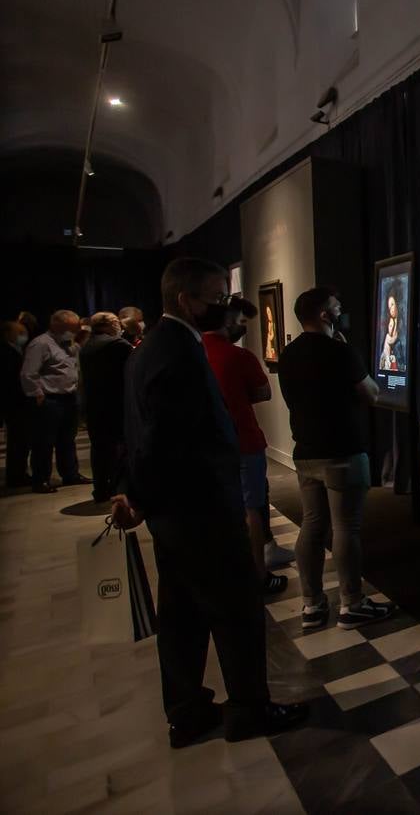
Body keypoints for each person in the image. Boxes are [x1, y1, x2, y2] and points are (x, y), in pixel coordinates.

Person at [112, 257, 307, 747]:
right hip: (198, 512)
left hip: (175, 512)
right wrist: (136, 493)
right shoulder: (176, 353)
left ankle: (188, 711)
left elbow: (138, 432)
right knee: (237, 612)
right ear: (186, 300)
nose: (223, 306)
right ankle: (248, 710)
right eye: (216, 297)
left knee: (181, 617)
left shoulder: (152, 347)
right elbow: (160, 438)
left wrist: (135, 493)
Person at [278, 286, 392, 630]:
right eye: (337, 307)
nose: (342, 311)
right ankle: (352, 602)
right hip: (342, 451)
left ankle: (312, 605)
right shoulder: (339, 351)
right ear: (325, 315)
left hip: (306, 453)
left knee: (312, 525)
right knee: (346, 527)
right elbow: (371, 393)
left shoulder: (289, 354)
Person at [203, 296, 291, 594]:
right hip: (243, 440)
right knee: (252, 506)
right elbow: (263, 392)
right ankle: (258, 574)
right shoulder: (238, 357)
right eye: (241, 322)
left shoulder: (192, 351)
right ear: (228, 321)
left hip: (208, 446)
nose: (243, 328)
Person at [19, 309, 90, 494]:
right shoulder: (41, 344)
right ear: (56, 325)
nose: (74, 332)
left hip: (69, 398)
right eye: (71, 328)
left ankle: (70, 474)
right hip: (49, 400)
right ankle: (41, 479)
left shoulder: (69, 345)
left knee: (67, 440)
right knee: (44, 442)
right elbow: (28, 372)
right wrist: (36, 393)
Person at [78, 312, 133, 502]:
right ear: (110, 325)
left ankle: (100, 489)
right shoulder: (117, 345)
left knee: (99, 449)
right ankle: (120, 489)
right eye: (117, 322)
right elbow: (133, 370)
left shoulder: (87, 346)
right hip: (116, 404)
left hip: (94, 405)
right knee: (120, 448)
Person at [2, 321, 31, 487]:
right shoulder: (5, 352)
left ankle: (19, 473)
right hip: (14, 402)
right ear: (7, 333)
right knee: (17, 441)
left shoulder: (16, 349)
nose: (23, 336)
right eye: (19, 332)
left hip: (18, 402)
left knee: (21, 440)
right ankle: (15, 476)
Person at [379, 292, 405, 372]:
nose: (391, 309)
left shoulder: (401, 323)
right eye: (389, 307)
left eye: (392, 304)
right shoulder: (391, 322)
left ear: (397, 304)